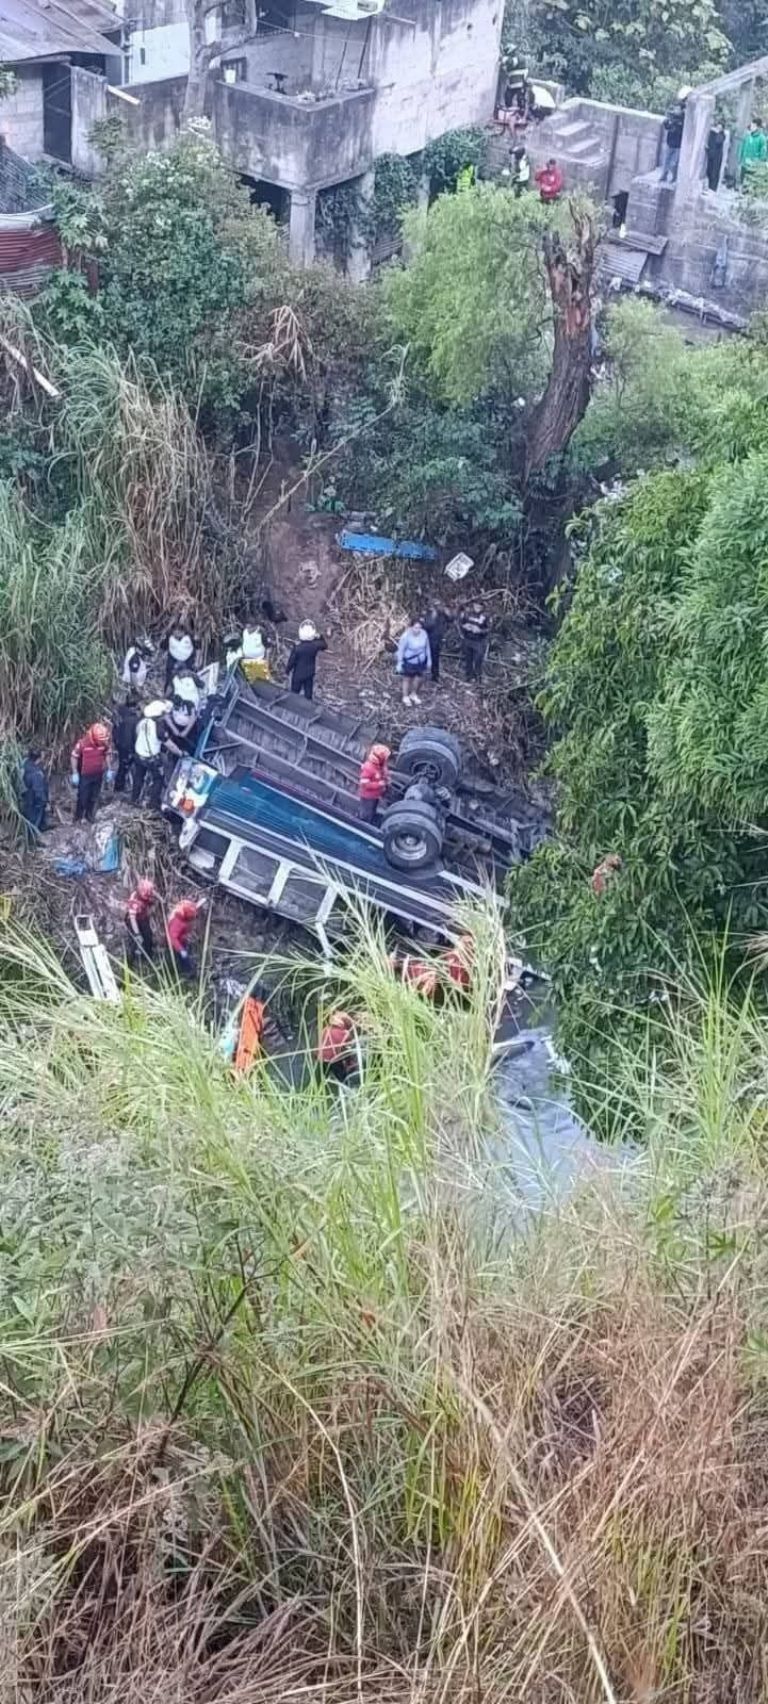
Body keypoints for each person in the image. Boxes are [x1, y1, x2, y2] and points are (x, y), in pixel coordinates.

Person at [70, 722, 112, 823]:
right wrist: (75, 772)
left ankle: (89, 816)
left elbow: (107, 754)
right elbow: (74, 757)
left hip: (98, 773)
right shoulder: (82, 744)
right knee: (82, 797)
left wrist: (109, 769)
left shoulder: (104, 743)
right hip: (85, 775)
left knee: (94, 796)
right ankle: (78, 817)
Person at [132, 704, 168, 809]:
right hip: (151, 759)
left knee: (138, 777)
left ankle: (134, 798)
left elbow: (137, 733)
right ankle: (152, 804)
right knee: (158, 779)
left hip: (139, 755)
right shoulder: (158, 727)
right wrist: (180, 753)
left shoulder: (142, 722)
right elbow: (168, 743)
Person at [286, 621, 328, 701]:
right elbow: (324, 645)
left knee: (294, 693)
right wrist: (320, 636)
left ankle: (293, 706)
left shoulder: (297, 648)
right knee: (308, 695)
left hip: (298, 674)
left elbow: (291, 661)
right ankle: (308, 709)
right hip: (309, 673)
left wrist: (287, 671)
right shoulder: (315, 645)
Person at [167, 896, 206, 979]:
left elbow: (195, 907)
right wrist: (181, 950)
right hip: (177, 943)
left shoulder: (186, 908)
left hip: (183, 937)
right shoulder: (177, 923)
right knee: (183, 958)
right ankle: (188, 972)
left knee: (185, 954)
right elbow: (173, 938)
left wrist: (202, 901)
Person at [395, 619, 431, 706]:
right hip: (409, 661)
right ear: (411, 627)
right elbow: (401, 649)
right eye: (415, 627)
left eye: (419, 627)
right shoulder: (406, 636)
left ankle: (413, 694)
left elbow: (427, 647)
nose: (417, 630)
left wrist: (429, 659)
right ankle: (405, 696)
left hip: (420, 660)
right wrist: (399, 662)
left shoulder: (424, 634)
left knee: (418, 678)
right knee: (407, 678)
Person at [125, 877, 157, 967]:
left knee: (148, 937)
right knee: (134, 941)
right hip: (133, 920)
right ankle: (130, 964)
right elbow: (132, 918)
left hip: (143, 917)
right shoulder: (134, 900)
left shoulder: (148, 892)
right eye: (146, 893)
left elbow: (152, 898)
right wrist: (137, 933)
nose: (148, 895)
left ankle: (148, 959)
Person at [317, 1010, 357, 1082]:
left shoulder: (325, 1030)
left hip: (321, 1059)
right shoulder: (345, 1034)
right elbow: (346, 1052)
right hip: (334, 1060)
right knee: (343, 1080)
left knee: (323, 1079)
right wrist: (351, 1063)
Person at [112, 693, 140, 794]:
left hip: (119, 742)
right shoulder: (134, 720)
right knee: (124, 767)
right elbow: (130, 736)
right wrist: (132, 750)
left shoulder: (120, 711)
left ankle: (120, 786)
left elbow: (115, 728)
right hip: (127, 746)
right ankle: (119, 788)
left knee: (122, 766)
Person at [19, 749, 49, 842]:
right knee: (34, 820)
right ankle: (32, 841)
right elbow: (38, 789)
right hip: (35, 800)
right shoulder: (36, 773)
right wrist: (45, 802)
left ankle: (40, 828)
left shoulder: (25, 765)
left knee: (29, 817)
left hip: (26, 797)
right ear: (39, 758)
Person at [358, 743, 390, 825]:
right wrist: (379, 784)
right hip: (368, 796)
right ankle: (364, 824)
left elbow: (383, 771)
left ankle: (371, 819)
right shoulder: (368, 768)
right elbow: (364, 784)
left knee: (372, 809)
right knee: (366, 813)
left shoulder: (379, 765)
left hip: (375, 795)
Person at [459, 603, 490, 683]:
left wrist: (480, 631)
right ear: (473, 605)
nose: (477, 608)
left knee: (478, 660)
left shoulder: (485, 616)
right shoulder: (467, 613)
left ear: (482, 607)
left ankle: (478, 678)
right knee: (468, 659)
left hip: (478, 641)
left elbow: (489, 629)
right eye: (476, 606)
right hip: (468, 639)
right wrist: (464, 627)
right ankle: (468, 677)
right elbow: (460, 623)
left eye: (480, 606)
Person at [164, 621, 196, 693]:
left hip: (187, 662)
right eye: (175, 631)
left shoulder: (189, 639)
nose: (177, 633)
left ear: (183, 632)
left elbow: (194, 649)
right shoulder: (170, 638)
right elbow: (163, 646)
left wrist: (194, 661)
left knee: (188, 677)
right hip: (173, 661)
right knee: (170, 678)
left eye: (179, 631)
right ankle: (168, 694)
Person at [424, 604, 451, 685]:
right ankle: (423, 675)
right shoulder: (428, 614)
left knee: (435, 659)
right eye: (437, 606)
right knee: (425, 657)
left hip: (437, 640)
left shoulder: (442, 615)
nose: (440, 607)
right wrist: (433, 616)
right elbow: (427, 626)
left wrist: (447, 612)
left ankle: (435, 676)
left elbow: (451, 619)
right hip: (428, 639)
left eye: (441, 606)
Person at [661, 101, 686, 183]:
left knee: (673, 163)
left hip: (678, 145)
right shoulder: (672, 117)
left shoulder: (684, 119)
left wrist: (676, 126)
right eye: (675, 108)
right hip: (670, 143)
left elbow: (682, 132)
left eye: (678, 108)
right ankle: (664, 176)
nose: (676, 110)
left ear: (682, 110)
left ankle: (674, 177)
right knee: (666, 161)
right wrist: (666, 123)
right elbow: (668, 127)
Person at [240, 620, 271, 685]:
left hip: (258, 661)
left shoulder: (262, 632)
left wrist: (266, 662)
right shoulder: (245, 631)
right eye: (247, 627)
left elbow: (268, 648)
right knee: (251, 682)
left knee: (262, 683)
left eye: (250, 628)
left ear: (255, 626)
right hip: (247, 660)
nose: (248, 630)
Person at [739, 117, 767, 184]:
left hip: (753, 166)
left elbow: (763, 153)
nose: (751, 127)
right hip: (744, 163)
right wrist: (740, 158)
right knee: (742, 181)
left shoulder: (762, 138)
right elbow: (742, 148)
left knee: (749, 183)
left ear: (757, 127)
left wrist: (758, 163)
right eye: (751, 125)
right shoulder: (747, 136)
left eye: (753, 126)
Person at [705, 118, 726, 192]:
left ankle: (713, 188)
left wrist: (717, 133)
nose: (718, 128)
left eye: (720, 127)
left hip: (717, 156)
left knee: (715, 172)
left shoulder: (722, 135)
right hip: (711, 154)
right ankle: (709, 187)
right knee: (709, 171)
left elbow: (718, 141)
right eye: (718, 126)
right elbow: (709, 142)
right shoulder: (712, 133)